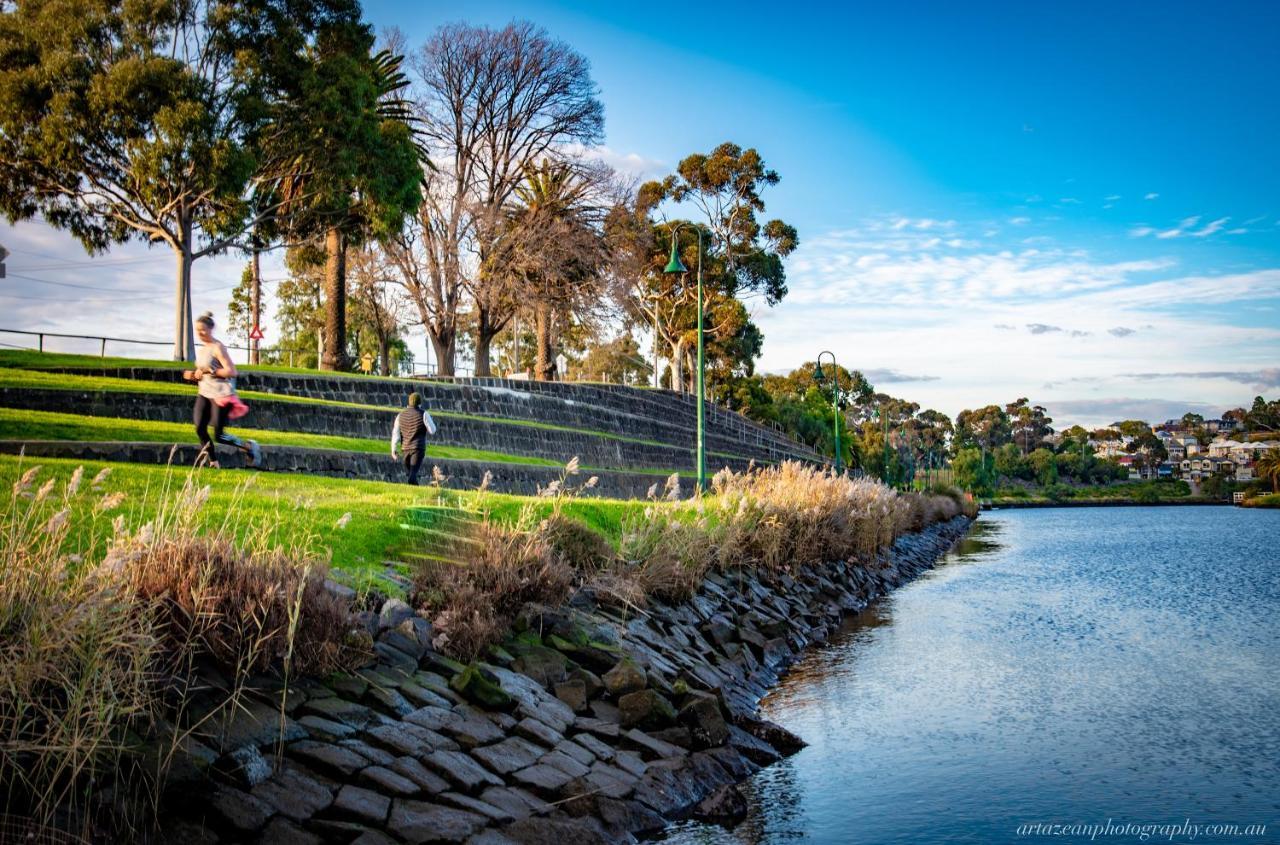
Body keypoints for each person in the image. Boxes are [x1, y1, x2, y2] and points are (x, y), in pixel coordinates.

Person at [183, 312, 261, 469]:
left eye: (203, 330)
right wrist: (191, 375)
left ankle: (248, 447)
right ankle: (213, 462)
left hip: (221, 395)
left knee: (219, 435)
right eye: (197, 330)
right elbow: (202, 371)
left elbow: (232, 372)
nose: (200, 333)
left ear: (211, 329)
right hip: (204, 392)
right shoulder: (203, 349)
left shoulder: (218, 348)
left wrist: (209, 371)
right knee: (199, 428)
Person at [391, 393, 436, 485]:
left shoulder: (400, 415)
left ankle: (414, 492)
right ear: (420, 403)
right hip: (418, 448)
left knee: (412, 474)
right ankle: (418, 493)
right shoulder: (424, 414)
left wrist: (393, 450)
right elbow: (433, 430)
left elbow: (395, 433)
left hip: (405, 448)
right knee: (412, 475)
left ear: (409, 402)